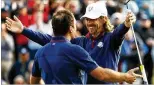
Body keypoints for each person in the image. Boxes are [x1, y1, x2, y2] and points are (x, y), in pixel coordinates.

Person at [5, 1, 137, 84]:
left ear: (103, 19)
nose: (89, 22)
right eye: (87, 19)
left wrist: (126, 24)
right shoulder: (81, 42)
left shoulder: (110, 38)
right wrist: (24, 30)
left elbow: (119, 32)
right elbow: (49, 40)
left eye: (93, 19)